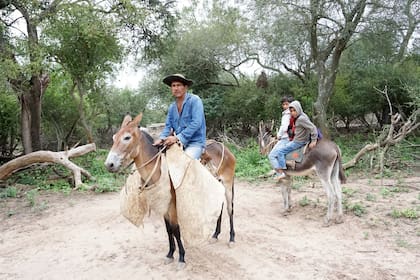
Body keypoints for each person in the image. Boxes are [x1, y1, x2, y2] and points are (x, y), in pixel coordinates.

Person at [153, 74, 206, 160]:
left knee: (184, 163)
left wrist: (177, 138)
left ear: (185, 87)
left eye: (179, 85)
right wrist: (162, 139)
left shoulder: (195, 100)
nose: (176, 88)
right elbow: (168, 126)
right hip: (178, 143)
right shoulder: (172, 107)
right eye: (173, 86)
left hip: (195, 143)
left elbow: (196, 123)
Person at [269, 100, 318, 180]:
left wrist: (314, 140)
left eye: (294, 110)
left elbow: (312, 128)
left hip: (298, 141)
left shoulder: (301, 119)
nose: (293, 113)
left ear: (298, 109)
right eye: (291, 111)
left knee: (280, 152)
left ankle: (283, 172)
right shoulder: (301, 116)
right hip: (300, 139)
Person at [268, 96, 294, 166]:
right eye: (283, 104)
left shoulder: (286, 114)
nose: (285, 106)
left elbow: (284, 127)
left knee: (272, 156)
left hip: (285, 138)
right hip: (291, 138)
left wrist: (279, 135)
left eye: (287, 104)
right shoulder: (294, 114)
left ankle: (280, 174)